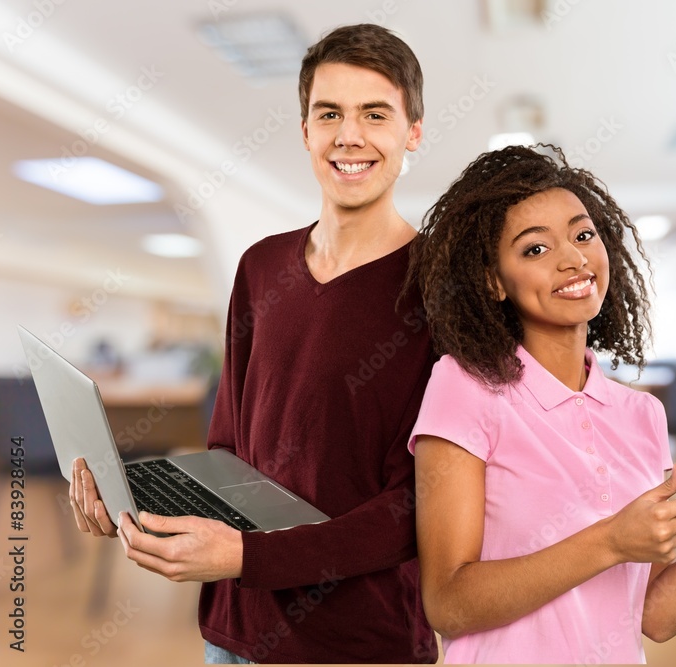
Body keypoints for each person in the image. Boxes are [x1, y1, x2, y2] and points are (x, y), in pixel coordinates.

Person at [68, 24, 439, 664]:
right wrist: (127, 495)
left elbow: (419, 508)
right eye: (330, 114)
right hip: (232, 632)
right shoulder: (260, 267)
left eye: (375, 114)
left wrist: (246, 555)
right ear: (305, 132)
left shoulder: (441, 285)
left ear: (413, 132)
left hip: (357, 642)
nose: (349, 136)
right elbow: (228, 449)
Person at [405, 144, 676, 664]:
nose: (573, 258)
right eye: (535, 249)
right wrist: (611, 541)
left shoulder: (642, 415)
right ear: (494, 281)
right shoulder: (464, 387)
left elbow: (655, 614)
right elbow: (448, 604)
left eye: (583, 235)